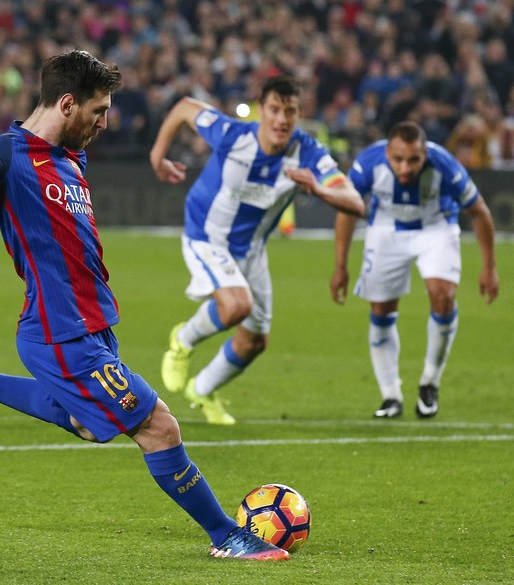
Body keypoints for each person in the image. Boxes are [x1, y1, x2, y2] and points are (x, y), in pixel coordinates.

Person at [0, 50, 289, 561]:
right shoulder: (7, 152)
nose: (104, 123)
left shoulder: (71, 157)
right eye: (99, 111)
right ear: (67, 103)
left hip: (93, 322)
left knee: (90, 423)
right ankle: (229, 536)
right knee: (158, 426)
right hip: (59, 332)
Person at [149, 75, 365, 424]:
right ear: (262, 110)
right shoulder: (233, 135)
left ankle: (202, 390)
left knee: (254, 341)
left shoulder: (307, 152)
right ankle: (182, 341)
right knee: (237, 305)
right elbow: (185, 108)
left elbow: (355, 202)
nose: (281, 119)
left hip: (251, 250)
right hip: (207, 236)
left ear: (298, 114)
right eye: (275, 109)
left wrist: (320, 190)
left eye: (290, 112)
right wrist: (158, 155)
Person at [330, 121, 499, 418]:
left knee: (443, 296)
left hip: (436, 227)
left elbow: (479, 211)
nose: (405, 167)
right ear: (387, 153)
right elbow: (346, 211)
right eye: (397, 159)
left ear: (425, 155)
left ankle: (430, 381)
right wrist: (340, 266)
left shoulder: (445, 165)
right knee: (381, 308)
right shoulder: (368, 163)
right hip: (386, 229)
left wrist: (489, 267)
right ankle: (390, 396)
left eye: (413, 160)